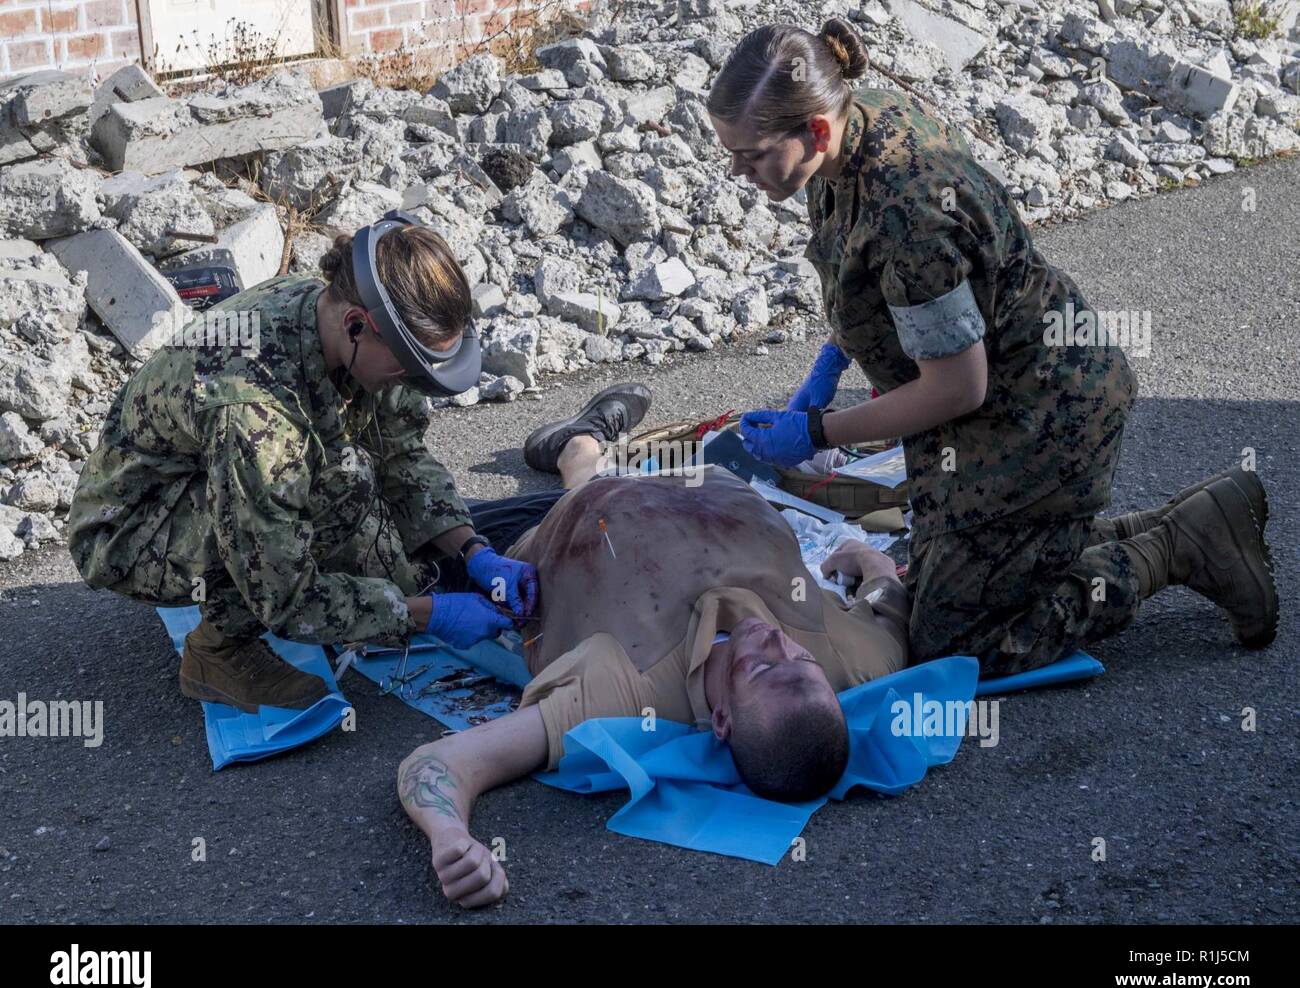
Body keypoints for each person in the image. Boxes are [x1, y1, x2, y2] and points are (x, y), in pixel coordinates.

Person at [705, 19, 1278, 675]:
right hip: (991, 412)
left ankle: (1177, 547)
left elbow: (956, 386)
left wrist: (818, 430)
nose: (738, 171)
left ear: (816, 131)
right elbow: (861, 272)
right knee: (935, 588)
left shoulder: (913, 209)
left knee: (953, 644)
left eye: (749, 155)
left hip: (1036, 420)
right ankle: (1186, 521)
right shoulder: (849, 136)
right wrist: (829, 367)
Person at [397, 413, 911, 908]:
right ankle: (580, 448)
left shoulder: (627, 690)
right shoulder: (852, 659)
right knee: (589, 482)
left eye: (762, 668)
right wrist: (864, 558)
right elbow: (887, 596)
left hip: (543, 538)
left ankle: (578, 446)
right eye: (801, 661)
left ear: (722, 720)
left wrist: (450, 840)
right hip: (685, 486)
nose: (774, 641)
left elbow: (443, 763)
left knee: (397, 529)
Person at [65, 220, 563, 713]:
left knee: (393, 564)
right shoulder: (255, 413)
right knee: (342, 490)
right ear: (356, 326)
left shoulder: (326, 314)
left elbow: (402, 455)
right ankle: (217, 652)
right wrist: (425, 616)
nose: (408, 382)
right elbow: (285, 595)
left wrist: (473, 551)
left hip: (207, 478)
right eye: (407, 367)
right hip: (131, 533)